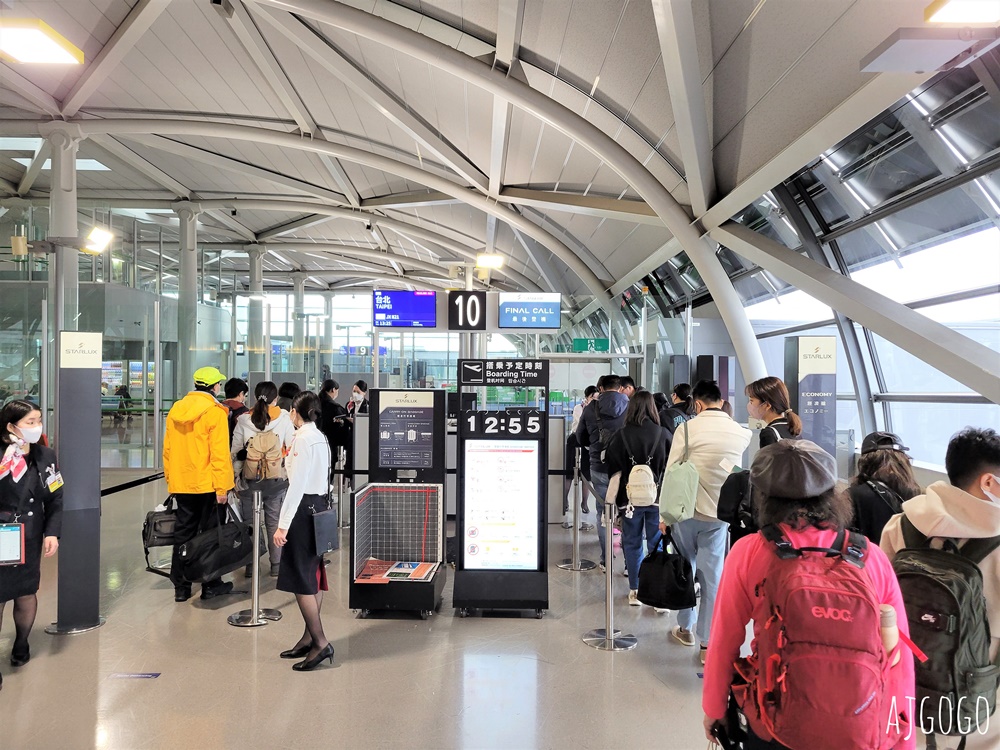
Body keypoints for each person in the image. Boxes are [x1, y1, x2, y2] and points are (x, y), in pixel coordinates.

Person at [703, 440, 914, 750]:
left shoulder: (749, 552)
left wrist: (714, 709)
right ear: (831, 493)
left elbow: (724, 640)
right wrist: (902, 737)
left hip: (775, 719)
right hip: (860, 722)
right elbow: (899, 654)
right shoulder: (869, 556)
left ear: (764, 496)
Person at [881, 427, 1000, 750]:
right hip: (977, 701)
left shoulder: (902, 523)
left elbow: (883, 604)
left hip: (906, 681)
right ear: (988, 482)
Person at [661, 380, 752, 664]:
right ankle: (707, 643)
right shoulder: (741, 432)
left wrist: (664, 516)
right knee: (712, 577)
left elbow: (672, 469)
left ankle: (685, 628)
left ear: (697, 404)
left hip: (687, 511)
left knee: (685, 567)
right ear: (720, 401)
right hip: (720, 515)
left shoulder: (686, 428)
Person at [0, 400, 61, 691]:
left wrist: (53, 532)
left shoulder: (45, 455)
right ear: (11, 426)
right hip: (1, 535)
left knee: (26, 591)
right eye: (30, 422)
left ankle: (21, 643)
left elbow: (56, 497)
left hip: (30, 536)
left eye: (38, 421)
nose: (37, 427)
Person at [163, 366, 236, 603]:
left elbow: (168, 450)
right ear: (215, 387)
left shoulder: (175, 410)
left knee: (182, 533)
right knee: (211, 534)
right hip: (208, 485)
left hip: (182, 483)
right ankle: (210, 584)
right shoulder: (215, 412)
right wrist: (223, 488)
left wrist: (171, 480)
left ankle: (181, 587)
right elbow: (219, 454)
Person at [274, 391, 334, 672]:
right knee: (313, 574)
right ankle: (309, 636)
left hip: (303, 509)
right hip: (319, 507)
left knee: (301, 578)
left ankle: (320, 642)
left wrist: (283, 524)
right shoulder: (320, 437)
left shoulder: (301, 439)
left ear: (295, 413)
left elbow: (296, 486)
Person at [604, 391, 668, 605]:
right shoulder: (664, 434)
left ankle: (635, 590)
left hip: (628, 501)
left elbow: (612, 469)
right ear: (652, 408)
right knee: (656, 544)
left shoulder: (621, 435)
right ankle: (657, 591)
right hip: (657, 500)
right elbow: (671, 468)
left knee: (631, 543)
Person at [232, 381, 295, 578]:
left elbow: (235, 453)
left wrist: (235, 479)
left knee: (250, 524)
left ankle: (251, 565)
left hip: (250, 481)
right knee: (273, 522)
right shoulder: (284, 418)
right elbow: (292, 448)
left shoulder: (243, 420)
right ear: (275, 399)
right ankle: (276, 565)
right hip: (276, 481)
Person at [576, 374, 629, 571]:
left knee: (602, 513)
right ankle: (628, 565)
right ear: (621, 387)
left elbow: (580, 437)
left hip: (598, 466)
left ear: (600, 387)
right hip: (625, 468)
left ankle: (606, 560)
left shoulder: (591, 408)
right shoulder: (631, 407)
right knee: (627, 512)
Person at [850, 431, 921, 544]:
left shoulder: (851, 496)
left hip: (871, 559)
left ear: (864, 462)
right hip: (905, 560)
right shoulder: (918, 496)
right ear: (904, 463)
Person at [564, 386, 598, 529]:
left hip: (588, 443)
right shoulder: (579, 408)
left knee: (586, 474)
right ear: (587, 397)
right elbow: (581, 425)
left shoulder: (597, 409)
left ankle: (584, 502)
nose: (595, 400)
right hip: (575, 441)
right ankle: (565, 501)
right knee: (569, 473)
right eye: (593, 397)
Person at [745, 376, 802, 447]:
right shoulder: (792, 427)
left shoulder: (769, 433)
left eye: (751, 401)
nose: (750, 405)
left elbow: (767, 458)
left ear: (767, 405)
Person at [318, 380, 350, 488]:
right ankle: (327, 496)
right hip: (330, 445)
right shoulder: (335, 408)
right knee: (328, 473)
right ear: (333, 390)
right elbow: (343, 430)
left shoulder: (314, 404)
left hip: (314, 444)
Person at [222, 377, 249, 446]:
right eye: (245, 395)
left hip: (220, 449)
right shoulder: (244, 411)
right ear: (241, 394)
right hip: (237, 450)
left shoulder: (217, 408)